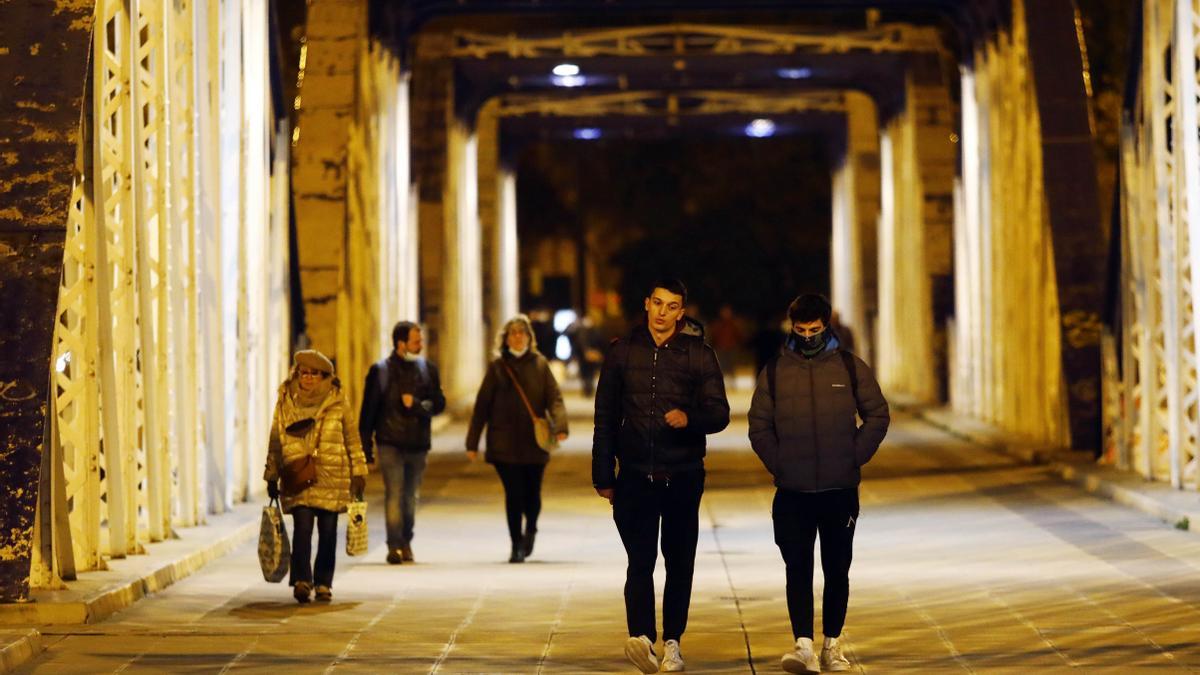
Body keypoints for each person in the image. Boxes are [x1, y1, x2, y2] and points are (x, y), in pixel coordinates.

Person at [592, 279, 731, 674]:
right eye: (657, 303)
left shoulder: (698, 355)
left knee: (679, 561)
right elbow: (604, 418)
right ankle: (641, 639)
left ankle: (672, 642)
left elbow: (720, 413)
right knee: (640, 560)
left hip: (683, 476)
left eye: (672, 306)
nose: (662, 312)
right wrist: (603, 473)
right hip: (634, 475)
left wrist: (691, 420)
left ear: (681, 313)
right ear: (646, 304)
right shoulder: (622, 353)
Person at [747, 293, 889, 673]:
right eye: (801, 330)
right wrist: (781, 464)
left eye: (814, 330)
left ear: (827, 325)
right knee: (797, 567)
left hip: (838, 490)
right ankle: (803, 645)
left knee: (837, 568)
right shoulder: (776, 371)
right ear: (791, 327)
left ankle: (833, 645)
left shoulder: (849, 367)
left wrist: (852, 456)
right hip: (793, 491)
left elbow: (877, 414)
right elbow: (758, 425)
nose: (807, 336)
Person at [265, 349, 367, 604]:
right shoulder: (286, 401)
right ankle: (302, 580)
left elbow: (352, 439)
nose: (308, 378)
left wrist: (359, 469)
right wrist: (271, 473)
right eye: (304, 373)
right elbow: (276, 439)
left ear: (325, 377)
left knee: (328, 531)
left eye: (314, 374)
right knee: (302, 528)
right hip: (297, 475)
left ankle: (323, 582)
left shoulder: (338, 402)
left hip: (331, 476)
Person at [465, 314, 569, 563]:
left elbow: (554, 398)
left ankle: (530, 528)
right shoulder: (497, 368)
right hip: (504, 443)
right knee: (514, 494)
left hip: (534, 442)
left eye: (522, 332)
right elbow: (482, 406)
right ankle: (516, 545)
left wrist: (560, 425)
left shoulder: (540, 365)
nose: (518, 336)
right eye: (513, 333)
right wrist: (472, 442)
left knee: (532, 494)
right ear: (506, 338)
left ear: (529, 337)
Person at [359, 321, 446, 564]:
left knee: (411, 498)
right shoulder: (381, 372)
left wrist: (417, 405)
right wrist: (365, 448)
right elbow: (368, 413)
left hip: (418, 444)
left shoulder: (428, 369)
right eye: (416, 341)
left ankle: (406, 538)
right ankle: (394, 545)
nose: (421, 345)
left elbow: (439, 403)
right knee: (394, 494)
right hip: (390, 443)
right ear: (401, 343)